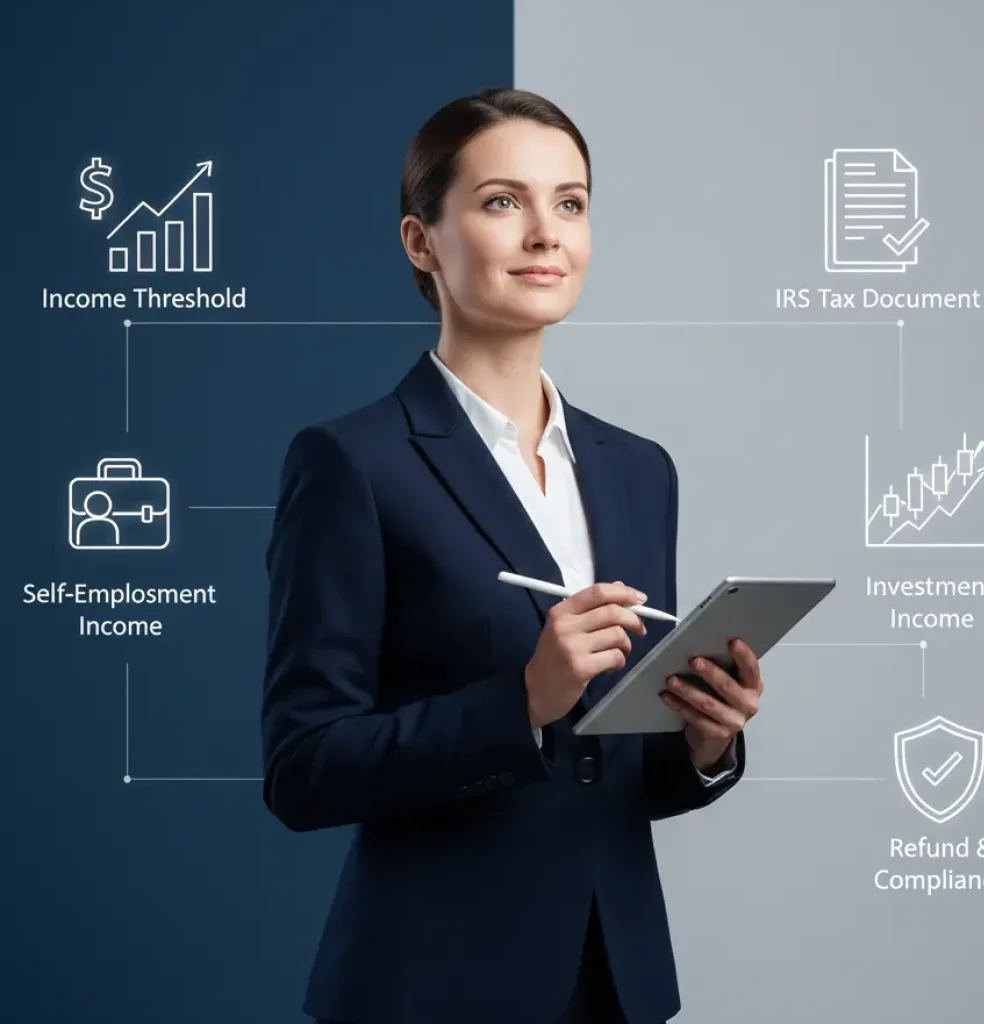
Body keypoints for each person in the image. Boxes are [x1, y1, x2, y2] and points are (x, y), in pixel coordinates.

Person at [261, 87, 763, 1024]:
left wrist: (705, 742)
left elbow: (606, 776)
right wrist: (521, 703)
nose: (547, 234)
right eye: (503, 202)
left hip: (616, 983)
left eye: (569, 203)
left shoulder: (639, 469)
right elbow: (303, 769)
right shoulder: (352, 463)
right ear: (421, 242)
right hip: (429, 985)